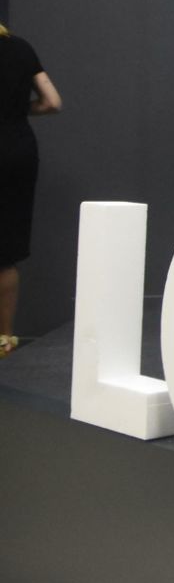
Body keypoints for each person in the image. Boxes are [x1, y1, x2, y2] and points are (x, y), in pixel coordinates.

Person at [0, 23, 62, 359]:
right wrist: (15, 111)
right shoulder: (20, 47)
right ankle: (4, 340)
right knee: (5, 253)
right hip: (17, 151)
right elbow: (52, 102)